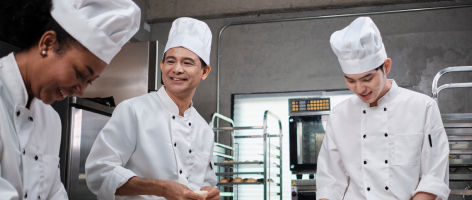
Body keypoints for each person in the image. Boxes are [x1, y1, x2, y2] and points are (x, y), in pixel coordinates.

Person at [0, 0, 140, 199]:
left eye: (89, 82)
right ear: (47, 43)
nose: (80, 91)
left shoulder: (51, 120)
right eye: (80, 73)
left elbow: (55, 192)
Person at [85, 17, 220, 200]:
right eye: (171, 61)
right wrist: (162, 188)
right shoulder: (132, 111)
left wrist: (210, 192)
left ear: (204, 71)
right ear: (162, 66)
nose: (177, 69)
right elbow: (99, 173)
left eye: (187, 63)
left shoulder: (204, 130)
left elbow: (206, 182)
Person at [316, 17, 450, 200]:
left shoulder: (423, 107)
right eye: (350, 80)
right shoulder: (339, 115)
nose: (359, 89)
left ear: (386, 66)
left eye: (367, 78)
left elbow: (434, 175)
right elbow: (330, 181)